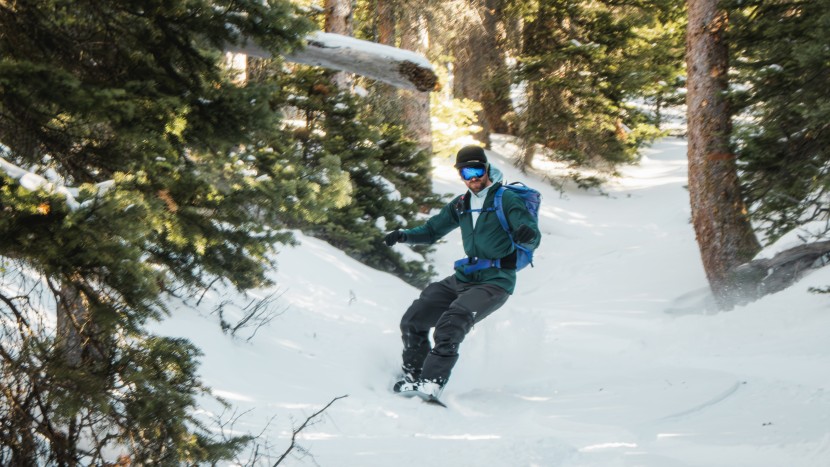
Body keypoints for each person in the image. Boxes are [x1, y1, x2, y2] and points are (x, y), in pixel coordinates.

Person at [384, 145, 541, 400]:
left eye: (477, 170)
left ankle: (431, 383)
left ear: (486, 168)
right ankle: (413, 376)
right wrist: (404, 235)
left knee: (452, 321)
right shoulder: (461, 204)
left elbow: (530, 230)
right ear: (460, 174)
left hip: (496, 281)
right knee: (414, 318)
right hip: (465, 277)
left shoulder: (505, 199)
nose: (473, 177)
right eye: (466, 172)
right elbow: (432, 230)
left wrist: (528, 233)